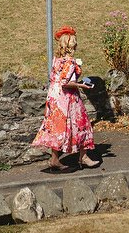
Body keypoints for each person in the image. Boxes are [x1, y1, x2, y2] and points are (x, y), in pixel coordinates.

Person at [32, 26, 100, 171]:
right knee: (82, 124)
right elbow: (65, 82)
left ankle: (55, 159)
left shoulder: (57, 60)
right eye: (74, 42)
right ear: (71, 45)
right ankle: (83, 157)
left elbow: (57, 78)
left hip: (54, 97)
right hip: (67, 98)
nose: (76, 44)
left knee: (57, 127)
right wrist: (82, 85)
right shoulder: (69, 61)